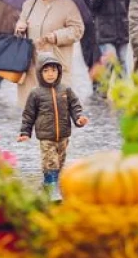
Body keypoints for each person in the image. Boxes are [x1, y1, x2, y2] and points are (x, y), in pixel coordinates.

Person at [18, 54, 88, 198]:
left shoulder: (65, 90)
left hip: (63, 136)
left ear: (59, 72)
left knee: (60, 162)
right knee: (50, 162)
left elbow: (75, 106)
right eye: (46, 71)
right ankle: (52, 190)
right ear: (40, 73)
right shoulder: (35, 93)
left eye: (53, 71)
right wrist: (25, 132)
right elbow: (28, 115)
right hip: (46, 137)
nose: (50, 74)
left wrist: (79, 118)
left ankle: (48, 186)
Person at [15, 0, 85, 109]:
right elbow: (20, 28)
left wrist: (56, 36)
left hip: (57, 65)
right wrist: (19, 27)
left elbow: (78, 30)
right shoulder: (29, 4)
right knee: (32, 111)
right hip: (31, 66)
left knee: (57, 108)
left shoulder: (67, 4)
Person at [92, 0, 131, 74]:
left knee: (123, 61)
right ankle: (106, 88)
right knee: (111, 61)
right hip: (106, 33)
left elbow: (128, 7)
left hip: (122, 31)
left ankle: (125, 90)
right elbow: (92, 7)